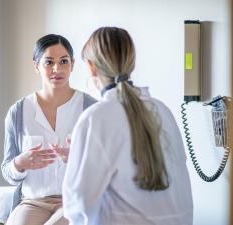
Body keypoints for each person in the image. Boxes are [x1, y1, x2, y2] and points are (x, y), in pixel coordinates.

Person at [63, 27, 193, 225]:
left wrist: (79, 156)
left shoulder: (96, 118)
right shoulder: (162, 110)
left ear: (91, 67)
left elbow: (79, 207)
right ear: (131, 62)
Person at [1, 34, 97, 225]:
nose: (57, 69)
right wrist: (20, 163)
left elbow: (104, 166)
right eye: (49, 62)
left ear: (73, 64)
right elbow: (7, 171)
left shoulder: (91, 108)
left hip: (74, 200)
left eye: (63, 61)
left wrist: (78, 158)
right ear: (36, 66)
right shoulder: (18, 112)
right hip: (33, 202)